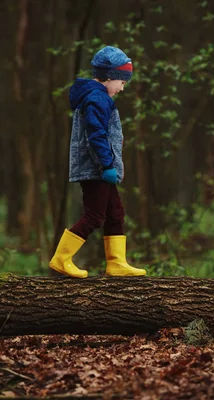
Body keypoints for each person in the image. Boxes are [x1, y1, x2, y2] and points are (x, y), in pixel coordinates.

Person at [49, 46, 147, 278]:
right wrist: (107, 165)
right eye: (122, 82)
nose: (122, 88)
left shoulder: (97, 97)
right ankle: (61, 258)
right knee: (95, 216)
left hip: (100, 168)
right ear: (111, 77)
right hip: (96, 169)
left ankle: (116, 263)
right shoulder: (97, 98)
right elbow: (95, 134)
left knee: (116, 213)